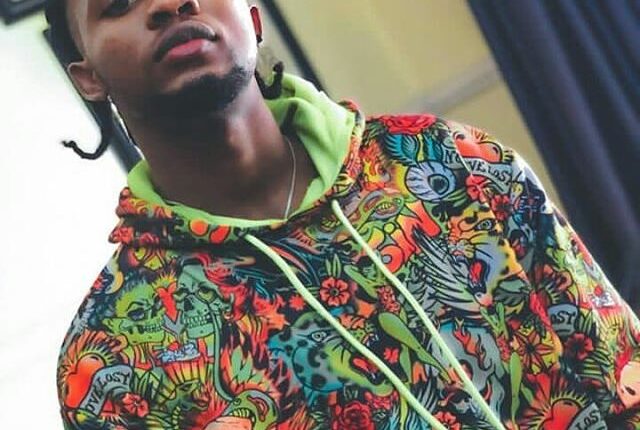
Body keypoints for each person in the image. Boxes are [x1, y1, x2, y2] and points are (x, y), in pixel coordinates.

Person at [46, 0, 640, 429]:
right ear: (89, 78)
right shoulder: (114, 358)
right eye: (118, 4)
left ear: (252, 17)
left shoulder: (449, 161)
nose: (170, 4)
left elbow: (621, 370)